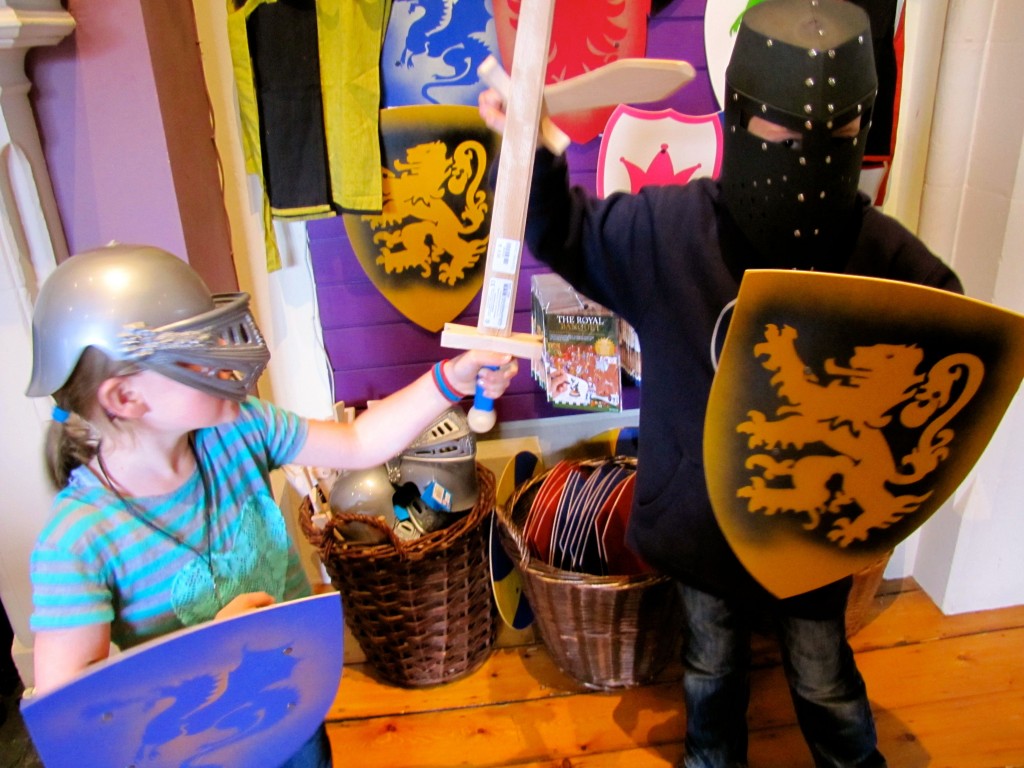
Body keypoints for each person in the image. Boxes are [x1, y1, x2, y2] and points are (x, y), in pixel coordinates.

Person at [479, 1, 961, 766]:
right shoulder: (668, 235)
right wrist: (533, 152)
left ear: (862, 129)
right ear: (742, 119)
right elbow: (564, 232)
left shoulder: (884, 261)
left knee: (823, 671)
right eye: (783, 132)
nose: (806, 156)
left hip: (812, 528)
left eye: (835, 135)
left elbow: (950, 354)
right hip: (704, 517)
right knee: (710, 664)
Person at [24, 243, 516, 767]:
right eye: (197, 351)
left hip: (290, 712)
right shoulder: (76, 541)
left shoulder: (241, 427)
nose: (225, 358)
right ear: (125, 399)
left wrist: (453, 380)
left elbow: (359, 444)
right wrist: (217, 645)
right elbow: (76, 723)